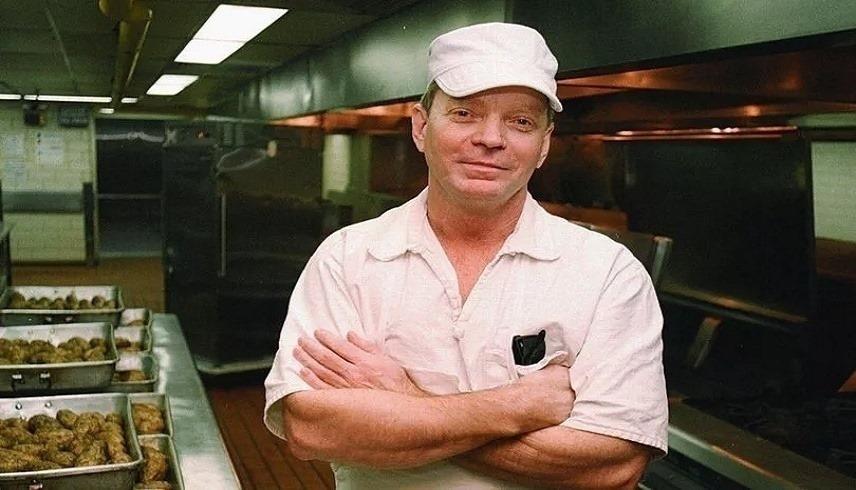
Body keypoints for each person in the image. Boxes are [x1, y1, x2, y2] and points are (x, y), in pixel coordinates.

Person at [264, 22, 668, 489]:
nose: (491, 138)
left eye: (520, 121)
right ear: (421, 127)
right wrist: (518, 407)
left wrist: (407, 398)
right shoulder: (348, 258)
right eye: (464, 113)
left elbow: (613, 466)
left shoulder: (608, 273)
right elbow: (312, 427)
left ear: (543, 145)